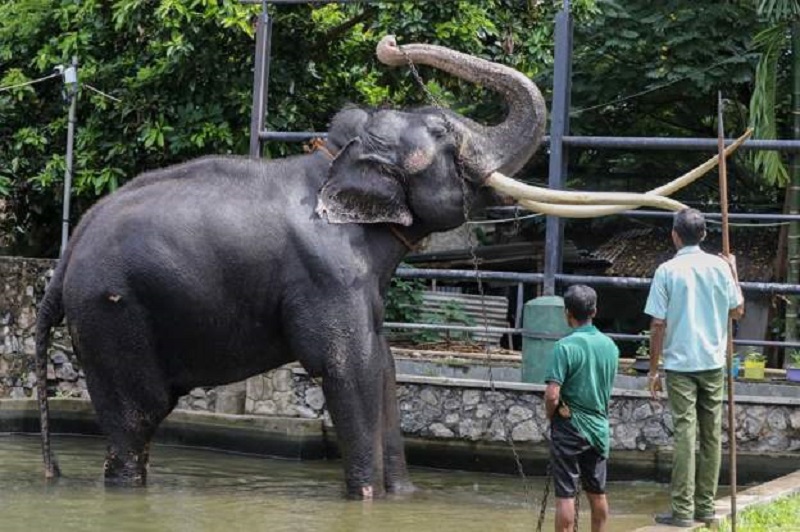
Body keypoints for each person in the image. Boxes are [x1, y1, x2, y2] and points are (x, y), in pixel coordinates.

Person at [645, 208, 744, 528]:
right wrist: (734, 271)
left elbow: (658, 324)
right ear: (703, 235)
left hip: (680, 364)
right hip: (714, 362)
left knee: (686, 434)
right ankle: (704, 507)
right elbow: (738, 310)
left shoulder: (666, 271)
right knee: (711, 434)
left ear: (675, 235)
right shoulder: (719, 267)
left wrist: (653, 369)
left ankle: (684, 510)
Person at [545, 284, 619, 532]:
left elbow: (552, 394)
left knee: (565, 494)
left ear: (567, 313)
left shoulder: (564, 347)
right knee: (597, 492)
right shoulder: (611, 347)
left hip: (569, 426)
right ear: (594, 311)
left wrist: (550, 416)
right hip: (598, 429)